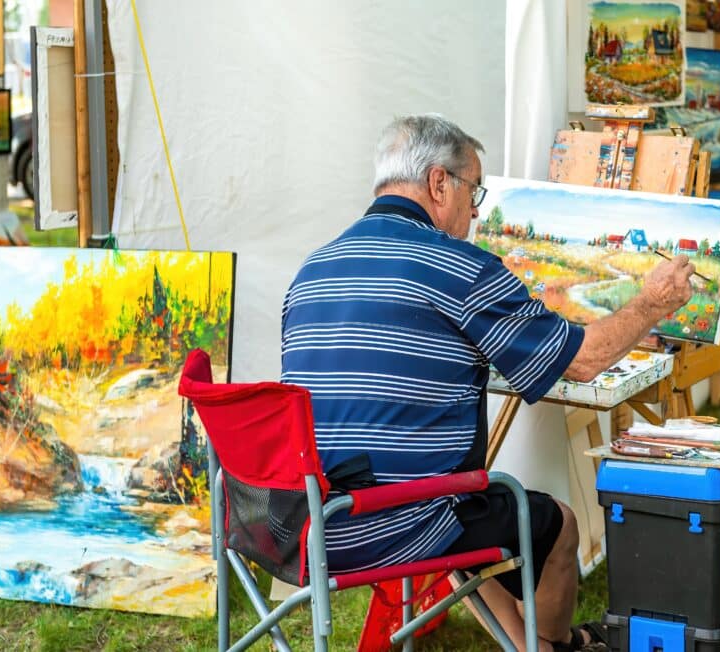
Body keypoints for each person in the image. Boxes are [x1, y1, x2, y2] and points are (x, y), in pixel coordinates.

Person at [280, 114, 694, 651]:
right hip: (397, 522)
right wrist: (653, 302)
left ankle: (533, 645)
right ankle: (554, 645)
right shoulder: (457, 266)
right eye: (474, 191)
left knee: (461, 501)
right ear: (438, 183)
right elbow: (584, 360)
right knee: (556, 523)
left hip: (303, 522)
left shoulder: (312, 269)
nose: (477, 211)